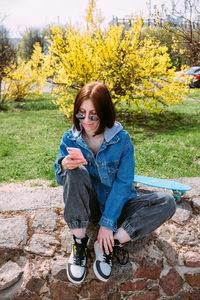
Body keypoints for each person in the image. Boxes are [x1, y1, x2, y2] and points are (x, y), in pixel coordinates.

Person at [54, 81, 176, 284]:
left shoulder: (122, 140)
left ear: (105, 112)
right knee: (74, 172)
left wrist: (108, 224)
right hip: (89, 206)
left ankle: (107, 245)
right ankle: (79, 242)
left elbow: (124, 183)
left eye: (93, 114)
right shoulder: (70, 138)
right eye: (81, 113)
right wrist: (65, 165)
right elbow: (61, 179)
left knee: (167, 202)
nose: (86, 120)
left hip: (120, 206)